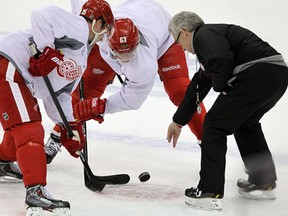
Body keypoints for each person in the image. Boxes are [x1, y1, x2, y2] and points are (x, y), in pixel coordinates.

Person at [44, 0, 207, 164]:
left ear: (137, 42)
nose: (125, 59)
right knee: (86, 90)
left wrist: (102, 107)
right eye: (120, 55)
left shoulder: (143, 65)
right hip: (128, 24)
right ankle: (58, 135)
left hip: (164, 40)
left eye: (129, 53)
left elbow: (133, 99)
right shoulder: (98, 28)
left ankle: (208, 142)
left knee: (181, 91)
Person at [0, 0, 114, 215]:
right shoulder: (79, 28)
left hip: (19, 76)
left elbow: (59, 95)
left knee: (21, 127)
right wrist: (45, 51)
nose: (104, 36)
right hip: (9, 64)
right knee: (30, 129)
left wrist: (69, 128)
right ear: (97, 23)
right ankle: (36, 192)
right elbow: (41, 14)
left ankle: (3, 161)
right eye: (106, 28)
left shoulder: (81, 57)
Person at [166, 11, 288, 210]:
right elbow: (198, 86)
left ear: (185, 32)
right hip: (277, 75)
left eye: (177, 40)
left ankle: (208, 191)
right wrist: (178, 121)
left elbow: (222, 60)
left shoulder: (204, 35)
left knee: (213, 125)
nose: (180, 47)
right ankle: (262, 181)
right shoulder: (210, 42)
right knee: (245, 124)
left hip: (257, 74)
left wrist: (221, 86)